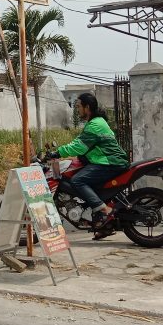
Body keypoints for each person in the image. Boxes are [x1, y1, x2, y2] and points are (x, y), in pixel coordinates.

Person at [46, 92, 129, 232]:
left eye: (78, 107)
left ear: (87, 107)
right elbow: (86, 147)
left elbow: (78, 146)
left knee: (78, 180)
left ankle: (104, 210)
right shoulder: (97, 122)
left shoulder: (94, 125)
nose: (77, 110)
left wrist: (57, 152)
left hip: (110, 162)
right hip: (107, 161)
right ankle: (102, 226)